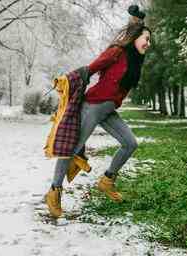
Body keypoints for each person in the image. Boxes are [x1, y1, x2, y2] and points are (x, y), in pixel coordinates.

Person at [45, 5, 151, 218]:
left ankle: (107, 181)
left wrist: (137, 23)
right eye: (146, 39)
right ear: (135, 37)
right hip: (93, 107)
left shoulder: (135, 60)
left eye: (150, 40)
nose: (148, 44)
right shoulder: (117, 51)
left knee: (130, 144)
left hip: (108, 110)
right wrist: (68, 80)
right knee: (71, 149)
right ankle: (54, 192)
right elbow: (91, 68)